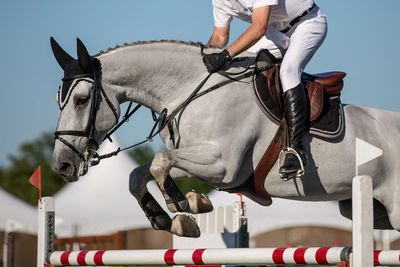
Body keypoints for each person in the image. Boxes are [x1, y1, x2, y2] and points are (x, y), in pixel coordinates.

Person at [202, 0, 327, 179]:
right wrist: (203, 61)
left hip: (307, 23)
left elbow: (259, 27)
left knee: (288, 71)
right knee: (241, 66)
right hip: (275, 32)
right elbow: (219, 38)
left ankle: (295, 148)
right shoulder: (219, 1)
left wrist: (226, 54)